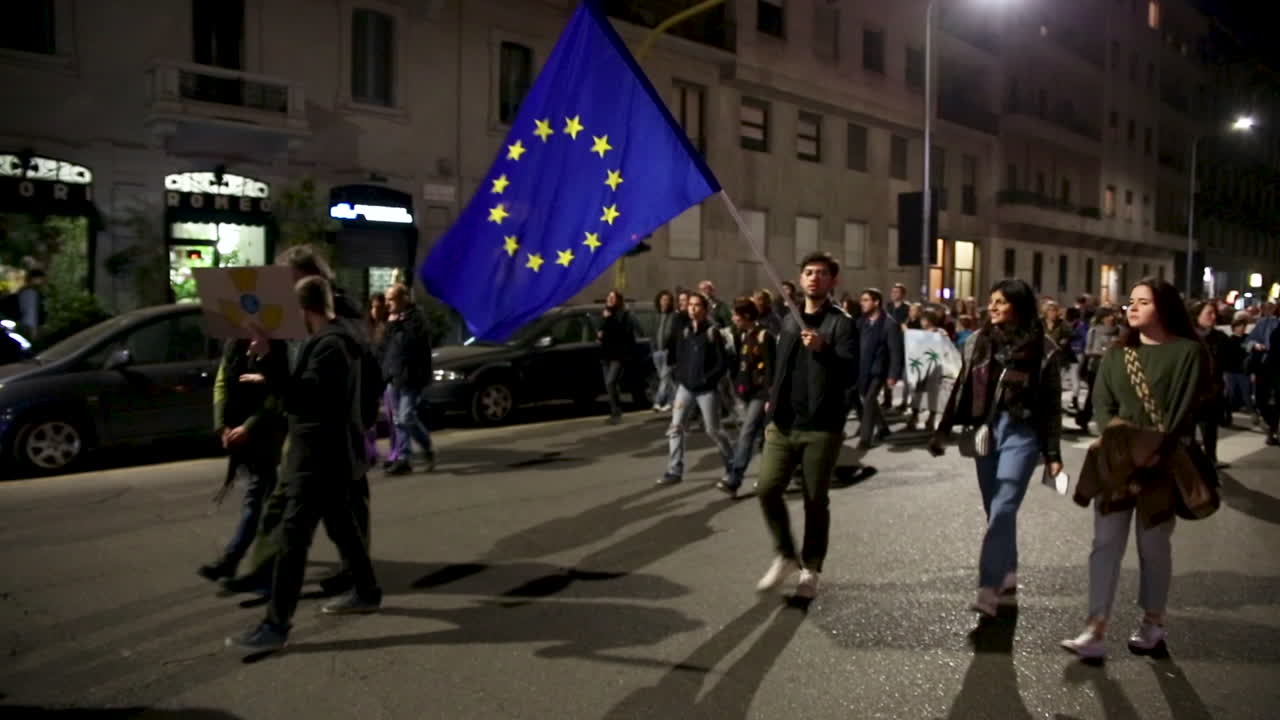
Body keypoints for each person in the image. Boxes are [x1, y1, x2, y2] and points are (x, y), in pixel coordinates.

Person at [228, 276, 382, 653]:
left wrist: (268, 358)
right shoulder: (333, 340)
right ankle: (367, 591)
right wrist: (269, 370)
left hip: (317, 456)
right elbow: (308, 390)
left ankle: (275, 625)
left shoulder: (330, 345)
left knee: (292, 540)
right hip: (327, 454)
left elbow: (305, 399)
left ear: (305, 309)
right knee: (342, 526)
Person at [1061, 278, 1208, 661]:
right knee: (1105, 543)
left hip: (1161, 462)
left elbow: (1183, 409)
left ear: (1164, 307)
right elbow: (1102, 404)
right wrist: (1116, 440)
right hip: (1117, 460)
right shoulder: (1116, 354)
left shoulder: (1188, 352)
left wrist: (1156, 450)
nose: (1133, 307)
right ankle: (1095, 627)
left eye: (1144, 301)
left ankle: (1152, 622)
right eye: (1131, 301)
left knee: (1153, 545)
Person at [931, 279, 1063, 617]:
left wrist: (1053, 453)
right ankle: (1008, 571)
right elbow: (962, 384)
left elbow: (1051, 404)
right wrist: (942, 430)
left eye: (1001, 301)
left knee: (1004, 505)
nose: (992, 306)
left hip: (1022, 431)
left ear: (1019, 306)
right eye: (992, 300)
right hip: (985, 431)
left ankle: (988, 587)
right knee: (995, 509)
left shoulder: (1044, 348)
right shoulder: (977, 341)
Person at [754, 252, 858, 600]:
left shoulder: (841, 323)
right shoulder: (789, 320)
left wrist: (824, 348)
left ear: (833, 281)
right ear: (800, 279)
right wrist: (770, 403)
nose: (814, 278)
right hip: (783, 424)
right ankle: (785, 554)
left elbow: (851, 372)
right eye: (809, 272)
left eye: (822, 273)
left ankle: (810, 567)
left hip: (821, 426)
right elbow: (779, 367)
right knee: (767, 488)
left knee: (815, 500)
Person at [197, 336, 288, 582]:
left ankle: (233, 560)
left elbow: (278, 392)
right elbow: (221, 384)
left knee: (257, 499)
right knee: (268, 500)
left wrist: (249, 426)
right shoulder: (233, 345)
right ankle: (271, 558)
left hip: (265, 435)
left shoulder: (276, 344)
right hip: (242, 436)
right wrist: (222, 425)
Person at [660, 292, 735, 486]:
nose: (692, 308)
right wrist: (680, 376)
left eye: (697, 305)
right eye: (690, 305)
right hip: (685, 387)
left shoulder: (712, 332)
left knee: (713, 429)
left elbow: (722, 363)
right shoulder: (685, 331)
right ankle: (674, 470)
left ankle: (732, 466)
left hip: (706, 389)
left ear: (705, 309)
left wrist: (707, 379)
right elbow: (678, 356)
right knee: (675, 428)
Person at [717, 298, 776, 497]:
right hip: (748, 394)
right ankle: (773, 475)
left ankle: (734, 478)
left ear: (747, 316)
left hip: (762, 394)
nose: (733, 318)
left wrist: (770, 397)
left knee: (747, 433)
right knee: (763, 439)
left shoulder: (764, 336)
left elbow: (772, 369)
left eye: (736, 315)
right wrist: (738, 388)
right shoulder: (744, 335)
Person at [383, 284, 436, 474]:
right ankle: (404, 458)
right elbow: (387, 347)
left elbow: (411, 343)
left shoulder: (416, 318)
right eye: (386, 299)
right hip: (394, 375)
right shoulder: (393, 320)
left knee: (406, 417)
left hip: (411, 376)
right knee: (398, 420)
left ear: (403, 299)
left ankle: (427, 447)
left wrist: (396, 323)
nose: (387, 304)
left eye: (391, 299)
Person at [855, 288, 904, 448]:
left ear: (876, 302)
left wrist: (893, 375)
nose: (862, 303)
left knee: (869, 401)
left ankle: (865, 439)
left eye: (866, 300)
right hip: (862, 369)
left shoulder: (889, 324)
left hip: (879, 370)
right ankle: (883, 428)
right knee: (868, 399)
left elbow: (895, 352)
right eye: (862, 300)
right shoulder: (861, 322)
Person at [1192, 301, 1229, 467]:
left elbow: (1229, 361)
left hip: (1212, 391)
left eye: (1215, 313)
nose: (1213, 317)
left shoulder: (1220, 338)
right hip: (1191, 392)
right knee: (1187, 432)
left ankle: (1211, 459)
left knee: (1210, 429)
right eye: (1209, 313)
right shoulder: (1187, 337)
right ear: (1197, 316)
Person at [598, 290, 640, 424]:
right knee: (610, 385)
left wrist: (609, 319)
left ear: (618, 300)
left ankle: (616, 411)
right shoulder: (605, 313)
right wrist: (600, 334)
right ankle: (615, 411)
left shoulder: (623, 314)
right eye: (608, 296)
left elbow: (623, 332)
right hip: (606, 354)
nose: (610, 299)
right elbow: (603, 330)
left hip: (618, 355)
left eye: (613, 297)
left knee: (610, 382)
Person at [1076, 308, 1121, 434]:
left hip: (1114, 368)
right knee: (1093, 395)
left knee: (1114, 396)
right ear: (1102, 318)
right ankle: (1083, 419)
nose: (1112, 317)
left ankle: (1113, 423)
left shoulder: (1119, 330)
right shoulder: (1094, 331)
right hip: (1096, 368)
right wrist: (1103, 352)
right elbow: (1087, 350)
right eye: (1109, 315)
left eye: (1113, 315)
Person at [907, 309, 950, 432]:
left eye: (923, 319)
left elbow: (945, 348)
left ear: (929, 320)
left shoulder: (940, 332)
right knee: (918, 392)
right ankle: (914, 416)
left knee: (933, 394)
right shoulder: (920, 333)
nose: (921, 322)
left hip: (935, 367)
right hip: (922, 366)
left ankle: (931, 418)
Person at [652, 290, 679, 412]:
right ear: (659, 301)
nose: (665, 302)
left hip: (668, 352)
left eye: (667, 300)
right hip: (657, 352)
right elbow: (653, 334)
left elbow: (674, 334)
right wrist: (653, 349)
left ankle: (658, 401)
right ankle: (671, 401)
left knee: (664, 377)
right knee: (667, 380)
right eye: (663, 300)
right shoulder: (656, 316)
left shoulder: (674, 316)